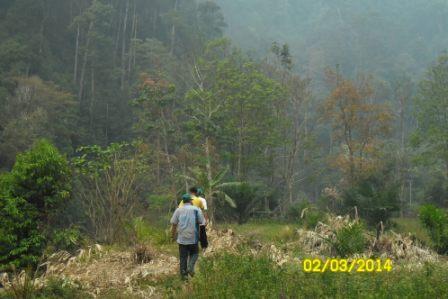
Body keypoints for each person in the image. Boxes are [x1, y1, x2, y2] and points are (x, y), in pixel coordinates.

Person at [171, 193, 205, 280]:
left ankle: (184, 277)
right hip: (193, 238)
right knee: (195, 254)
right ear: (190, 201)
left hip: (182, 239)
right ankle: (190, 267)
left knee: (183, 258)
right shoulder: (196, 209)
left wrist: (173, 236)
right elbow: (201, 222)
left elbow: (174, 224)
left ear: (183, 201)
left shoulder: (178, 210)